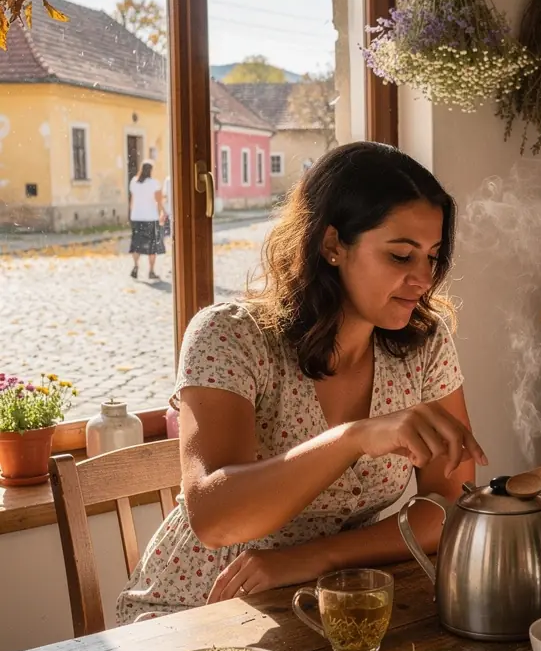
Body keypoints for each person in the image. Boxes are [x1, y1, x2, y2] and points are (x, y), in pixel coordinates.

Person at [116, 143, 486, 623]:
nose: (423, 279)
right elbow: (213, 515)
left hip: (329, 600)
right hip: (202, 608)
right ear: (331, 245)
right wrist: (355, 438)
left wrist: (315, 557)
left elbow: (451, 504)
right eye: (400, 256)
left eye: (433, 257)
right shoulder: (231, 335)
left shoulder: (424, 343)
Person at [128, 160, 166, 280]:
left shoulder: (134, 182)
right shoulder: (154, 183)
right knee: (152, 246)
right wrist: (162, 213)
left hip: (137, 217)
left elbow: (132, 200)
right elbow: (159, 201)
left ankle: (135, 266)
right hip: (150, 217)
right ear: (151, 170)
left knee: (136, 244)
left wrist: (132, 213)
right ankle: (151, 271)